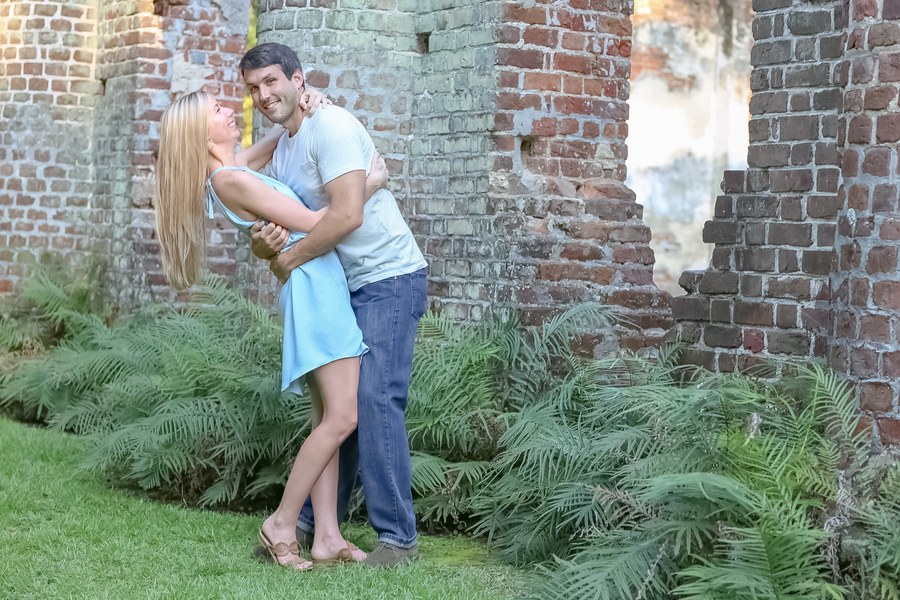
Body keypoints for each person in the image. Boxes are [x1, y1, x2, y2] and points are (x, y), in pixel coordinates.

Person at [154, 88, 389, 569]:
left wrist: (306, 103)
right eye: (216, 111)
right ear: (200, 133)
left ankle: (325, 537)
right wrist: (370, 181)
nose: (229, 111)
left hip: (314, 284)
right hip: (314, 290)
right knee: (343, 417)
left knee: (327, 417)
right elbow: (312, 220)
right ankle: (282, 522)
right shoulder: (230, 179)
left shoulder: (232, 168)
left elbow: (283, 134)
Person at [241, 43, 428, 568]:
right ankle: (316, 528)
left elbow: (347, 217)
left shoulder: (334, 127)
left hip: (388, 276)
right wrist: (264, 245)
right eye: (254, 88)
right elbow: (245, 196)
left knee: (372, 401)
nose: (263, 94)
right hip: (340, 286)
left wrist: (288, 260)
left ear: (298, 80)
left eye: (273, 81)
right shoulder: (282, 149)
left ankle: (396, 541)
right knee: (336, 410)